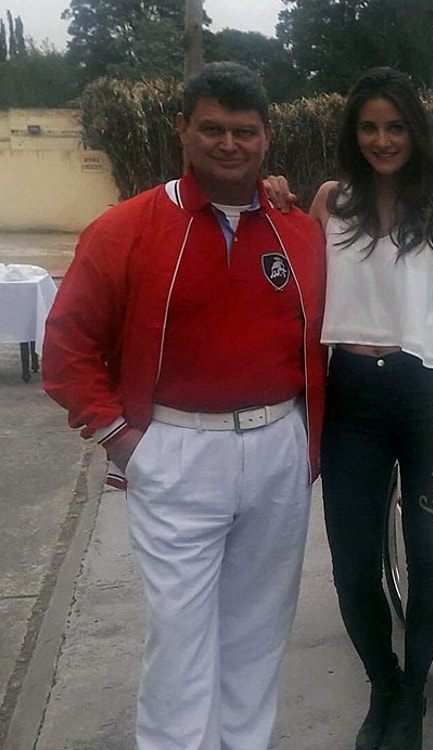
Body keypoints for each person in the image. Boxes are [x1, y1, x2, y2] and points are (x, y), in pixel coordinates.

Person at [41, 62, 326, 750]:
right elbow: (67, 347)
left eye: (244, 131)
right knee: (181, 637)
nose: (229, 144)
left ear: (266, 136)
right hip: (174, 450)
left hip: (279, 447)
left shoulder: (298, 230)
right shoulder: (127, 228)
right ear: (183, 130)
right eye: (212, 129)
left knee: (258, 631)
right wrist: (122, 439)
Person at [309, 68, 433, 750]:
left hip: (429, 399)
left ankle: (412, 699)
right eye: (369, 127)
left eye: (395, 127)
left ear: (416, 133)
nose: (382, 140)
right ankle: (383, 685)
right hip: (351, 396)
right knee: (352, 565)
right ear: (352, 135)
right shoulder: (331, 204)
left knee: (426, 556)